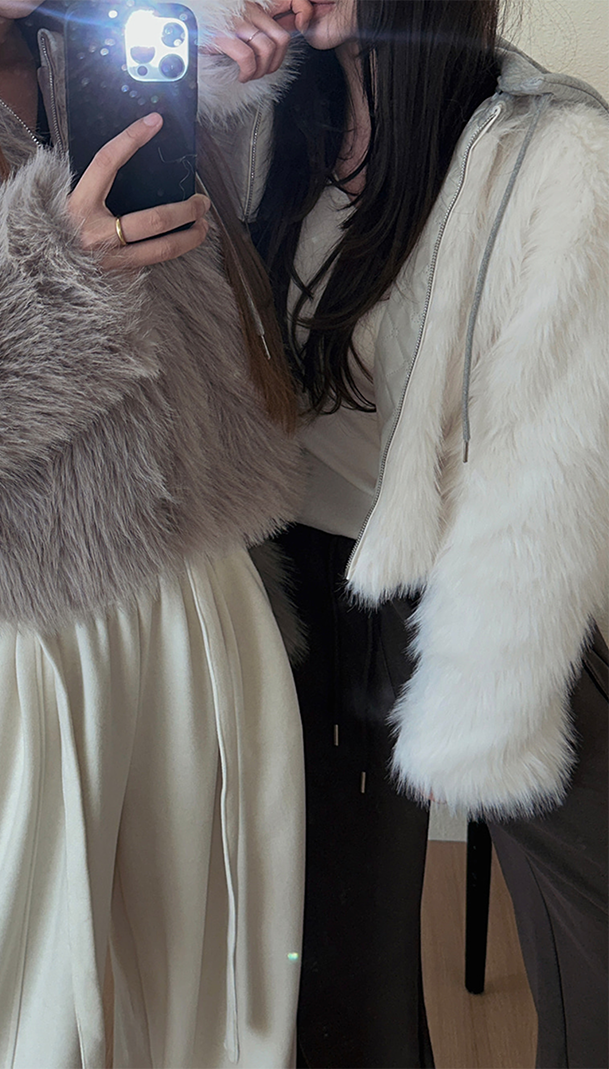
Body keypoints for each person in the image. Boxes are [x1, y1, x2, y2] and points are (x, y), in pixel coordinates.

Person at [0, 1, 308, 1067]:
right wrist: (40, 275)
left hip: (209, 605)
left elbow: (204, 327)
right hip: (23, 651)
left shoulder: (103, 44)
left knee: (206, 1009)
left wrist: (213, 100)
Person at [204, 1, 609, 1066]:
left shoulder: (552, 154)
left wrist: (474, 699)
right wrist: (209, 86)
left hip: (475, 606)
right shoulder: (264, 121)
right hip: (290, 591)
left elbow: (540, 478)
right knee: (338, 977)